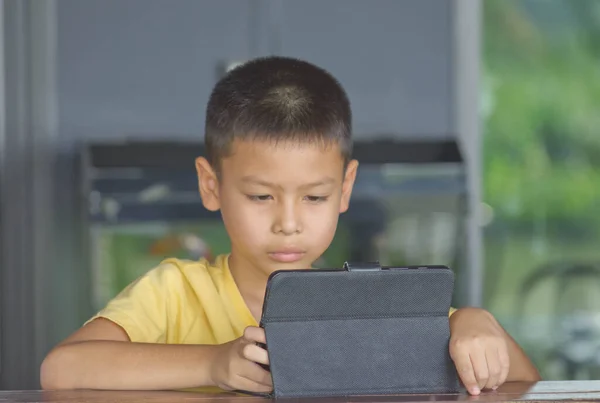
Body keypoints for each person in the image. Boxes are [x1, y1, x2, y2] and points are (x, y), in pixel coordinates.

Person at [40, 56, 540, 395]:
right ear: (210, 185)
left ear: (345, 189)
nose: (288, 223)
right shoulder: (174, 292)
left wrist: (472, 321)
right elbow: (61, 370)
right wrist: (213, 363)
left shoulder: (369, 305)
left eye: (315, 197)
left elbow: (526, 381)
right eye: (261, 196)